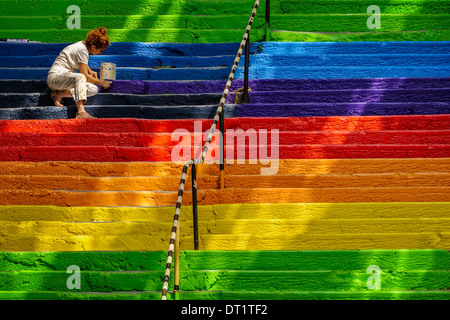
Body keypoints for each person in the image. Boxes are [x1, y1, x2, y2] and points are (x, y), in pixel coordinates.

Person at [47, 27, 112, 119]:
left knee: (93, 89)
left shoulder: (83, 46)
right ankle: (81, 112)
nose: (100, 53)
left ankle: (59, 94)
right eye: (100, 50)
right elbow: (85, 76)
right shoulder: (82, 50)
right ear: (93, 47)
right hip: (55, 78)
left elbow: (81, 62)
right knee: (81, 77)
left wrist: (89, 70)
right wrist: (102, 82)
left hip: (64, 81)